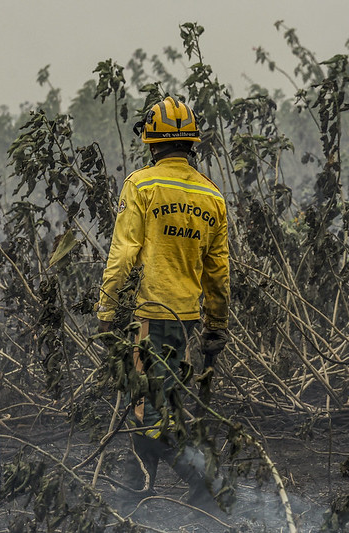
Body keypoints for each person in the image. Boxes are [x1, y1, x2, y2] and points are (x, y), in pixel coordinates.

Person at [96, 96, 230, 506]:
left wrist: (105, 309)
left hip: (151, 316)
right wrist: (216, 325)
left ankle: (207, 483)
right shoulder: (212, 197)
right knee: (158, 400)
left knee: (147, 414)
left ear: (153, 143)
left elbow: (122, 254)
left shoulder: (141, 185)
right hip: (187, 319)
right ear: (191, 144)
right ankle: (144, 486)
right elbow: (217, 274)